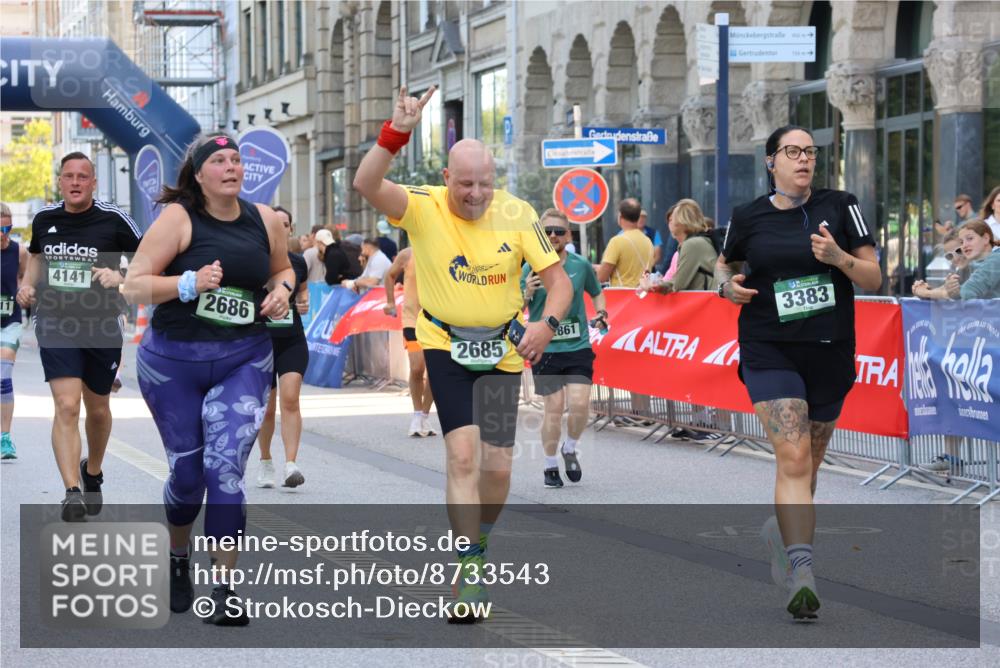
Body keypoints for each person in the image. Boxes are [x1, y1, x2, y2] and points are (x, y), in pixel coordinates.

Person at [353, 85, 571, 622]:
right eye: (466, 183)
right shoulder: (423, 206)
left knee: (497, 469)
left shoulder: (517, 212)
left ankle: (480, 539)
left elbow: (559, 284)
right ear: (446, 177)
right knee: (463, 456)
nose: (476, 194)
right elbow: (366, 183)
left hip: (500, 352)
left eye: (485, 184)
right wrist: (396, 132)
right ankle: (469, 565)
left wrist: (546, 326)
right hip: (446, 346)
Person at [123, 133, 294, 624]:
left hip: (244, 357)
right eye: (218, 160)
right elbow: (133, 287)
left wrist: (282, 290)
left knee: (225, 470)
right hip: (172, 364)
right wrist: (189, 283)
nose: (231, 167)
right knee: (188, 476)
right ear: (198, 174)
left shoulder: (264, 219)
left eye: (236, 159)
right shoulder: (178, 219)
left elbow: (283, 269)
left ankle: (225, 587)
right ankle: (179, 556)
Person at [715, 125, 881, 620]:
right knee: (792, 456)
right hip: (769, 347)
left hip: (829, 350)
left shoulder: (842, 206)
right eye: (793, 151)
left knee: (807, 466)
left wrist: (838, 257)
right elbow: (724, 265)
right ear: (772, 161)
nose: (804, 159)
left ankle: (782, 536)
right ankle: (801, 571)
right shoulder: (748, 215)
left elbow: (873, 277)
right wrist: (726, 288)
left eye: (810, 151)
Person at [16, 153, 142, 520]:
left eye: (82, 176)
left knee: (98, 409)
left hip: (102, 324)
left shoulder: (114, 219)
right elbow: (36, 257)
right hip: (56, 321)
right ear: (60, 181)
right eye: (68, 176)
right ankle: (72, 491)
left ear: (93, 183)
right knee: (67, 405)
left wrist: (122, 277)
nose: (75, 182)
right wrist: (27, 285)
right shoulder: (45, 219)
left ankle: (93, 471)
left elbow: (150, 258)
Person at [522, 209, 606, 488]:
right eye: (547, 232)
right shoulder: (529, 267)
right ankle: (549, 465)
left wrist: (602, 312)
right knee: (554, 408)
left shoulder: (581, 265)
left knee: (580, 405)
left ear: (568, 235)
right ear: (539, 236)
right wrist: (526, 293)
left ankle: (569, 448)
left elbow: (597, 292)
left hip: (577, 345)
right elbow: (514, 305)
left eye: (558, 231)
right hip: (544, 348)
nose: (553, 236)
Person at [256, 207, 310, 489]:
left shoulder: (298, 262)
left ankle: (291, 464)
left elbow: (303, 290)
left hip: (291, 339)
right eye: (275, 223)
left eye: (285, 224)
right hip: (261, 341)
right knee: (266, 409)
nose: (280, 227)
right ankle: (265, 461)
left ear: (291, 229)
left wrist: (304, 301)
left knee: (290, 399)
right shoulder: (254, 259)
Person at [383, 247, 437, 437]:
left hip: (437, 321)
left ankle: (425, 415)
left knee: (435, 371)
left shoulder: (444, 249)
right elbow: (389, 275)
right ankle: (416, 413)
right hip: (412, 319)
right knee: (416, 367)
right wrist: (390, 301)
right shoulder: (407, 254)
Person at [643, 199, 718, 294]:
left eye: (672, 219)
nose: (669, 223)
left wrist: (657, 285)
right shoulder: (697, 242)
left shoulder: (692, 244)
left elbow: (678, 284)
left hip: (707, 301)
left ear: (682, 222)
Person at [1, 202, 28, 459]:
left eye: (7, 228)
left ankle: (5, 438)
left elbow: (25, 279)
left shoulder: (19, 252)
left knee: (3, 375)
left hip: (10, 321)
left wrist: (24, 293)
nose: (3, 234)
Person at [597, 198, 653, 287]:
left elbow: (601, 277)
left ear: (620, 216)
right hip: (642, 293)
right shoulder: (648, 241)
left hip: (621, 294)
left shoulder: (617, 241)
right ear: (638, 217)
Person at [944, 220, 1000, 299]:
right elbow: (963, 294)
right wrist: (953, 290)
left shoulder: (996, 259)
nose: (964, 245)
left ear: (986, 238)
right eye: (962, 242)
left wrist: (929, 293)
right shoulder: (974, 264)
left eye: (970, 238)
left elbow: (968, 292)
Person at [912, 230, 969, 301]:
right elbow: (944, 290)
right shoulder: (961, 271)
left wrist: (925, 293)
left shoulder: (978, 267)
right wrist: (926, 289)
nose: (955, 258)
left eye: (959, 251)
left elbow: (949, 294)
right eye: (949, 256)